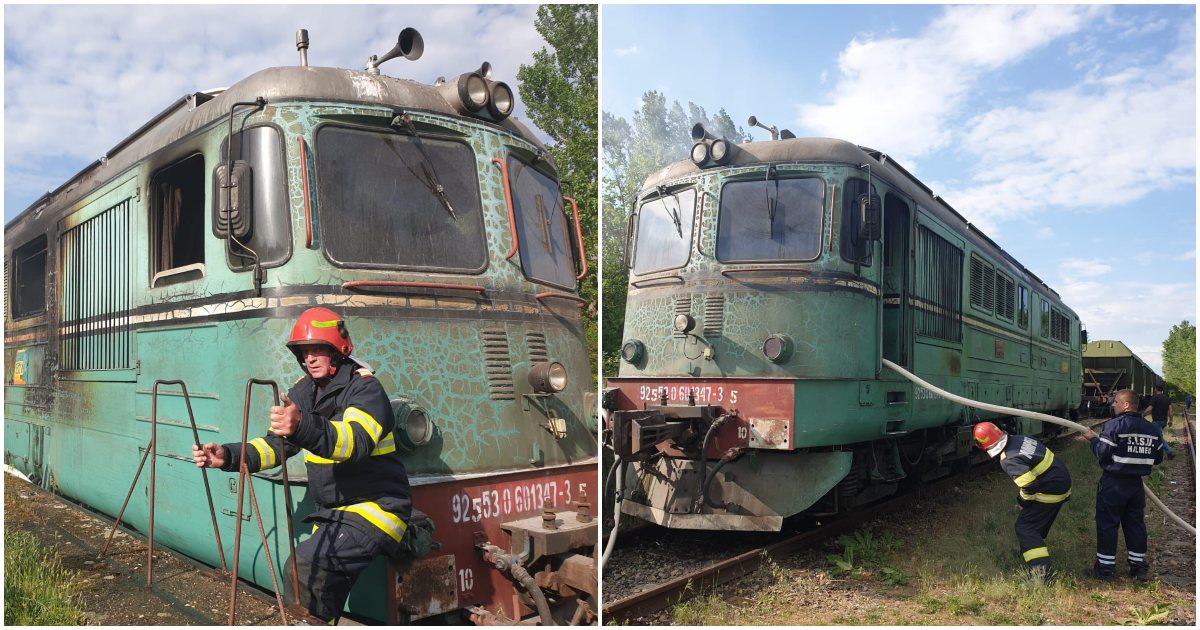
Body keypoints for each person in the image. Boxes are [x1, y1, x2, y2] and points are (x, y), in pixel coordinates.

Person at [193, 307, 412, 621]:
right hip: (336, 514)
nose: (309, 359)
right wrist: (227, 456)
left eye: (318, 350)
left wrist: (302, 426)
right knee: (309, 579)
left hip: (375, 509)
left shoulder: (365, 389)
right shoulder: (304, 392)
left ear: (339, 349)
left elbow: (355, 441)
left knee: (308, 568)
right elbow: (274, 448)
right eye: (304, 352)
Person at [973, 421, 1072, 584]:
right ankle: (1028, 548)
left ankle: (1042, 575)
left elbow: (1030, 486)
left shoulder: (1008, 460)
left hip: (1051, 490)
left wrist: (1022, 503)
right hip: (1060, 480)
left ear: (983, 446)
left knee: (1026, 526)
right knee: (1036, 522)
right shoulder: (1019, 439)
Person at [1082, 389, 1165, 582]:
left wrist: (1093, 440)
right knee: (1135, 524)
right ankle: (1138, 568)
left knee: (1107, 524)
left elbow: (1102, 453)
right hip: (1136, 487)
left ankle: (1105, 570)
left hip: (1113, 484)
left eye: (1116, 402)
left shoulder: (1114, 426)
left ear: (1126, 405)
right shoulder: (1151, 429)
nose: (1113, 405)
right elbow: (1158, 458)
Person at [1141, 385, 1175, 459]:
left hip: (1157, 421)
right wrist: (1171, 421)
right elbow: (1171, 411)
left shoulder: (1155, 398)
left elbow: (1149, 409)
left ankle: (1169, 452)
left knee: (1159, 438)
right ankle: (1157, 452)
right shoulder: (1167, 398)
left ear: (1155, 389)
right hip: (1164, 421)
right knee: (1158, 437)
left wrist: (1143, 415)